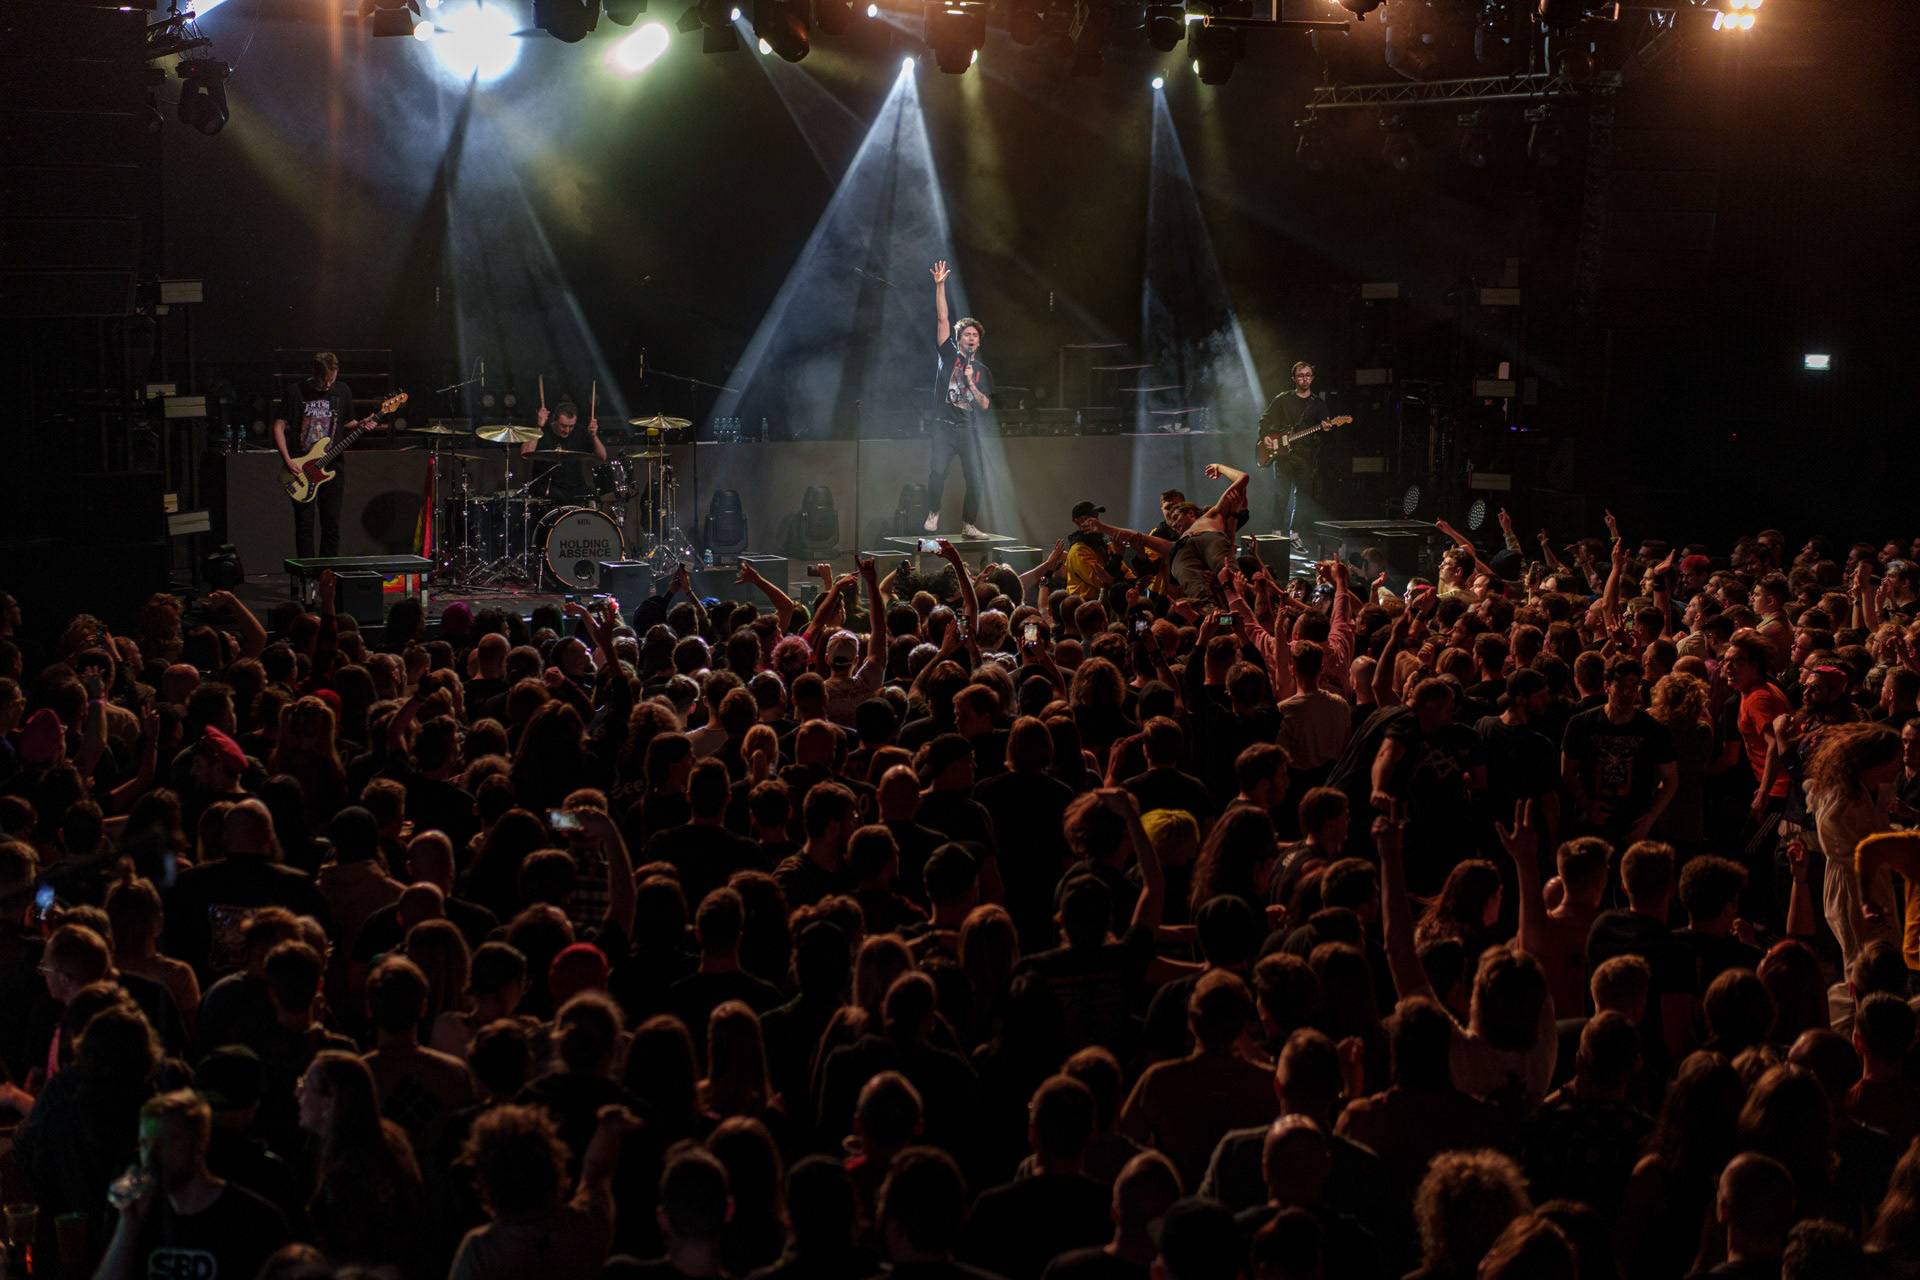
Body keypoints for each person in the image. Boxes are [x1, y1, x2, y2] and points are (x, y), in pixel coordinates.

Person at [95, 1089, 293, 1280]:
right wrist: (128, 1226)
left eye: (166, 1142)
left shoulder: (254, 1220)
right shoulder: (141, 1216)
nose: (151, 1156)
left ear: (200, 1143)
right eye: (145, 1144)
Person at [272, 351, 372, 561]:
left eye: (331, 380)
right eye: (323, 381)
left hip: (332, 467)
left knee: (331, 525)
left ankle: (327, 576)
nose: (327, 385)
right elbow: (279, 426)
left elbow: (347, 423)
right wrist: (288, 460)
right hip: (302, 468)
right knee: (305, 527)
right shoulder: (295, 392)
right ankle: (306, 580)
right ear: (313, 373)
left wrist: (362, 423)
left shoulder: (342, 391)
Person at [926, 259, 993, 539]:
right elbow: (943, 318)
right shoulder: (948, 354)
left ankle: (969, 524)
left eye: (975, 335)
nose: (971, 338)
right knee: (938, 472)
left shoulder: (982, 371)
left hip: (968, 430)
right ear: (959, 338)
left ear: (979, 341)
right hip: (944, 425)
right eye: (967, 334)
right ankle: (933, 512)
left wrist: (971, 384)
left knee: (976, 478)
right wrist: (940, 286)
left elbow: (985, 404)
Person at [1255, 361, 1334, 535]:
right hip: (1283, 456)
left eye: (1307, 375)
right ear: (1294, 378)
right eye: (1300, 376)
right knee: (1281, 496)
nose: (1304, 379)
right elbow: (1265, 420)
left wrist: (1326, 428)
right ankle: (1276, 532)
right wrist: (1266, 436)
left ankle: (1295, 535)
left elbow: (1325, 430)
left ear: (1312, 378)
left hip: (1305, 457)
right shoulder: (1283, 399)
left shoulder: (1318, 404)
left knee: (1303, 498)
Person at [521, 398, 607, 504]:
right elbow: (525, 454)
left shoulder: (579, 431)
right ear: (554, 419)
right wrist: (539, 426)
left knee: (594, 495)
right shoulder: (544, 431)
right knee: (558, 497)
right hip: (548, 486)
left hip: (575, 486)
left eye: (571, 426)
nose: (567, 430)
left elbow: (602, 457)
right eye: (563, 426)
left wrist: (594, 436)